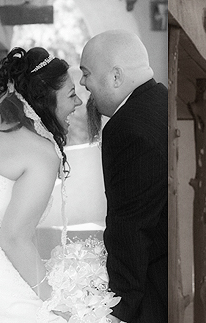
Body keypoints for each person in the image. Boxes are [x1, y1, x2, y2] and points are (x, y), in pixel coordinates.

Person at [0, 46, 81, 322]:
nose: (79, 104)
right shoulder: (42, 153)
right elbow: (14, 239)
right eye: (72, 95)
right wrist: (54, 301)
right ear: (46, 99)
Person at [79, 30, 167, 323]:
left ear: (116, 77)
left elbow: (129, 226)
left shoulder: (126, 128)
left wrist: (119, 308)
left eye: (86, 73)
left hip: (152, 291)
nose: (82, 83)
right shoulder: (162, 102)